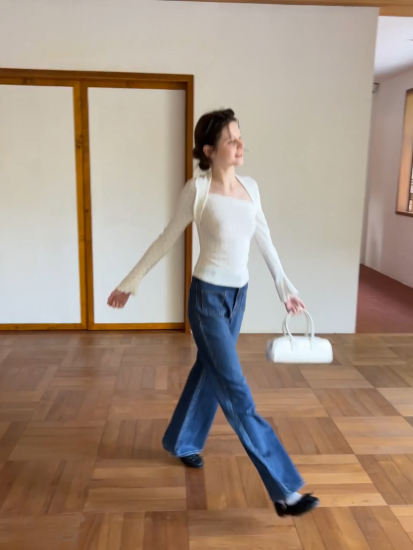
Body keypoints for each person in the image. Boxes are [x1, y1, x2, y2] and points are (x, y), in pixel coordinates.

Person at [107, 108, 319, 517]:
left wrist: (286, 290)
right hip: (207, 299)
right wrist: (130, 282)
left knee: (210, 372)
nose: (241, 145)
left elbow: (265, 240)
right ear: (209, 150)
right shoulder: (198, 189)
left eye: (240, 137)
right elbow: (166, 238)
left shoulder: (250, 187)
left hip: (239, 298)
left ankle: (181, 440)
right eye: (231, 140)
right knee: (236, 392)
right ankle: (284, 492)